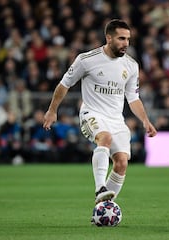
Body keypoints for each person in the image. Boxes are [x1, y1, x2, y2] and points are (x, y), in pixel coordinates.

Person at [43, 19, 157, 205]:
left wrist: (145, 120)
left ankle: (103, 207)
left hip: (116, 120)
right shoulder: (86, 60)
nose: (126, 43)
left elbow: (133, 98)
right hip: (92, 114)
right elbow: (64, 84)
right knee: (104, 138)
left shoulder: (131, 66)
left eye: (128, 39)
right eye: (121, 38)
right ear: (108, 38)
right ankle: (100, 189)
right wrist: (52, 110)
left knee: (121, 163)